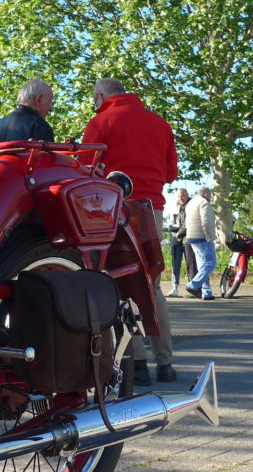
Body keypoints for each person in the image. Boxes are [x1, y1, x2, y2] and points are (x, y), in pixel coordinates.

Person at [80, 78, 178, 385]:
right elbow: (172, 173)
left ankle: (136, 365)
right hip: (153, 209)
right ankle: (166, 363)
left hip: (115, 209)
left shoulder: (101, 121)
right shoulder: (160, 123)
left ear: (100, 96)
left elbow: (85, 166)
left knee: (121, 286)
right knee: (153, 286)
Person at [0, 79, 55, 143]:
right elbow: (48, 155)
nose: (51, 109)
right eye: (50, 101)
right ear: (39, 99)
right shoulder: (40, 126)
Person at [184, 187, 217, 300]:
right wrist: (210, 237)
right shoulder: (204, 203)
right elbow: (206, 222)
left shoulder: (191, 202)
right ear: (206, 194)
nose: (210, 198)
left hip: (191, 237)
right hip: (202, 236)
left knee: (203, 265)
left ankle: (206, 293)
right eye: (210, 195)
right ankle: (193, 285)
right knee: (210, 263)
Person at [167, 188, 197, 296]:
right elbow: (170, 224)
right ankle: (174, 287)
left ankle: (193, 287)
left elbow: (189, 223)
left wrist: (180, 233)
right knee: (175, 263)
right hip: (176, 239)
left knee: (191, 263)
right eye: (179, 196)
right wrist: (176, 232)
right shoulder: (174, 207)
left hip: (187, 238)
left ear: (187, 194)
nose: (181, 198)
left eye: (183, 195)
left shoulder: (192, 205)